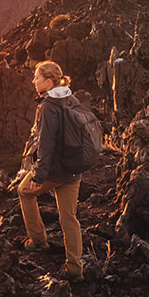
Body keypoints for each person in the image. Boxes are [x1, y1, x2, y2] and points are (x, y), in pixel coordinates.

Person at [16, 60, 91, 279]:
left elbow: (46, 145)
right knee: (69, 218)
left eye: (37, 77)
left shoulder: (48, 106)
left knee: (24, 191)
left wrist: (39, 176)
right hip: (74, 170)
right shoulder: (71, 98)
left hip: (55, 171)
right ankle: (75, 268)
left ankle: (38, 240)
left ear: (48, 82)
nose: (33, 81)